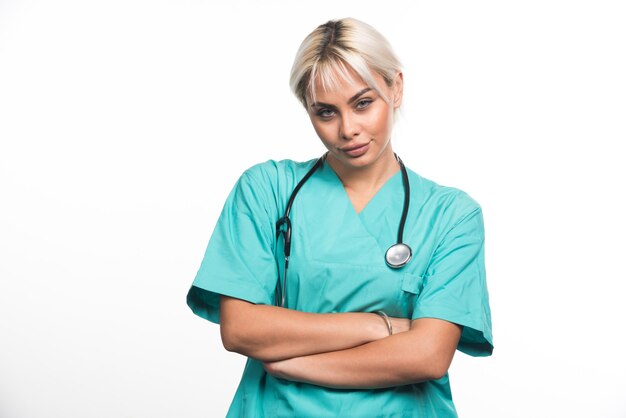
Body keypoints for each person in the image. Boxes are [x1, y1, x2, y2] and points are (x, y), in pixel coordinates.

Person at [186, 17, 493, 418]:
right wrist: (378, 326)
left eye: (363, 103)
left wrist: (296, 365)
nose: (348, 129)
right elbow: (241, 329)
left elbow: (428, 355)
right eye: (325, 112)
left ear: (395, 88)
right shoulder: (267, 189)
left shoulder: (451, 215)